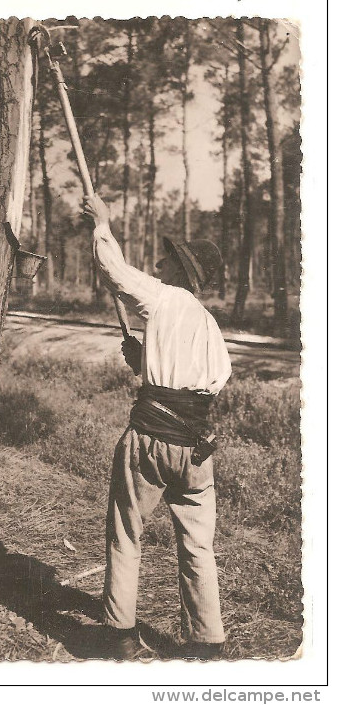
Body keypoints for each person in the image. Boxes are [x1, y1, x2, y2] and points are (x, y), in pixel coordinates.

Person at [82, 194, 232, 661]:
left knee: (126, 533)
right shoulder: (208, 325)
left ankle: (121, 636)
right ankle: (208, 643)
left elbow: (115, 272)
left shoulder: (164, 298)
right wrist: (142, 361)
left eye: (167, 257)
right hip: (195, 451)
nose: (159, 262)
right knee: (198, 546)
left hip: (149, 440)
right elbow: (199, 389)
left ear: (180, 271)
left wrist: (102, 225)